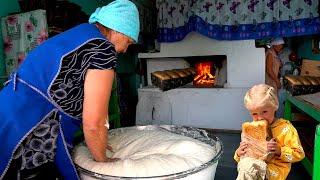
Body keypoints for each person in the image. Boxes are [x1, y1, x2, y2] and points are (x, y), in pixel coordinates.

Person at [0, 0, 139, 179]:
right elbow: (93, 124)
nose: (126, 49)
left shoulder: (83, 33)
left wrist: (100, 140)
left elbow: (89, 104)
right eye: (128, 41)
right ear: (119, 28)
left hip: (9, 110)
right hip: (27, 127)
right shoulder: (103, 49)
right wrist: (104, 162)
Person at [234, 84, 305, 180]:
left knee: (247, 166)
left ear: (275, 106)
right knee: (246, 164)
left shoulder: (286, 128)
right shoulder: (251, 129)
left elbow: (299, 154)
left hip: (274, 172)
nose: (260, 117)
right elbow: (242, 158)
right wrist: (239, 153)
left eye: (264, 112)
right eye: (254, 113)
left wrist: (280, 150)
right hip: (252, 168)